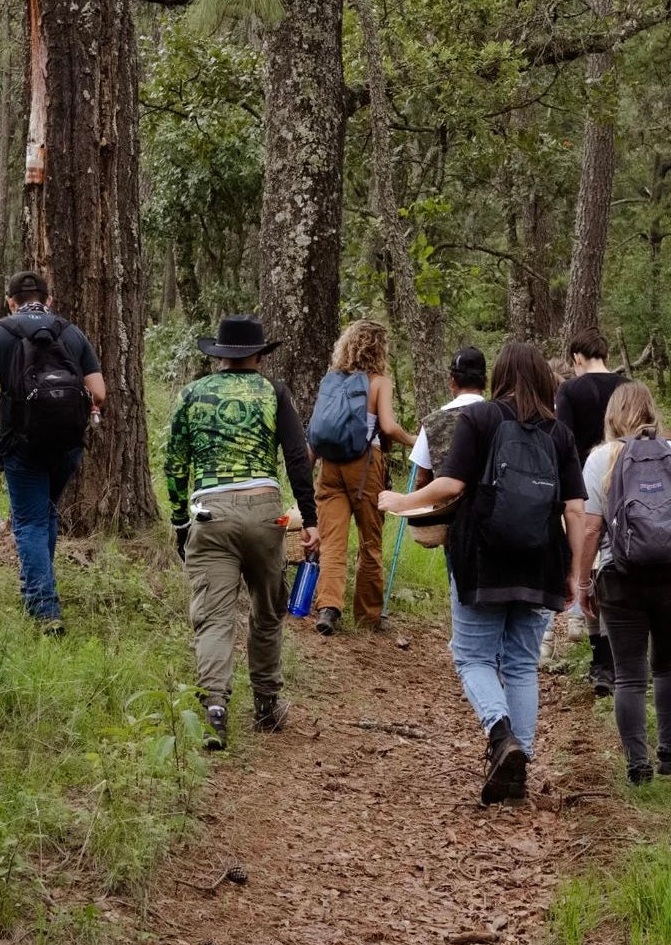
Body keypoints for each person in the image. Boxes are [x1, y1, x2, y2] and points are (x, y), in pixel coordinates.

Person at [379, 342, 587, 805]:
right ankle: (519, 765)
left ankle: (500, 736)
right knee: (519, 663)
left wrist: (401, 501)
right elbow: (575, 509)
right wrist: (573, 571)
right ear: (546, 381)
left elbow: (452, 485)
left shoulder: (480, 419)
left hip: (482, 558)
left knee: (473, 657)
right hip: (540, 560)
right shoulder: (560, 434)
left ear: (501, 375)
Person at [165, 314, 320, 751]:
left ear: (220, 355)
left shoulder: (192, 394)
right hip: (265, 510)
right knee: (268, 609)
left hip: (210, 512)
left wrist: (180, 521)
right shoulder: (275, 392)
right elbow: (295, 457)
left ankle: (214, 709)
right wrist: (309, 520)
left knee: (213, 617)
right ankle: (268, 704)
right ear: (258, 354)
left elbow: (175, 464)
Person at [579, 382, 671, 783]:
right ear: (652, 411)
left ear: (612, 415)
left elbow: (590, 529)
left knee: (629, 674)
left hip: (619, 577)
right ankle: (670, 757)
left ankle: (638, 766)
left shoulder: (601, 458)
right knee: (669, 666)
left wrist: (582, 582)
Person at [0, 271, 106, 635]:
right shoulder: (70, 332)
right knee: (44, 514)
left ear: (10, 301)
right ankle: (36, 594)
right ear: (49, 300)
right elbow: (100, 391)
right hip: (67, 444)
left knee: (29, 521)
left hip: (21, 444)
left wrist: (6, 415)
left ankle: (44, 610)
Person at [310, 320, 415, 635]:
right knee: (370, 541)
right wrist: (416, 440)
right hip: (365, 465)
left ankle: (328, 607)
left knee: (332, 540)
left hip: (329, 466)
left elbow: (316, 429)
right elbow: (389, 426)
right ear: (379, 348)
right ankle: (368, 616)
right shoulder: (379, 381)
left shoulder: (331, 380)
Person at [554, 328, 628, 697]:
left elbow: (562, 439)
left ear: (578, 358)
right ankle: (622, 656)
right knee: (620, 564)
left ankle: (600, 661)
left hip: (584, 486)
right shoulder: (627, 386)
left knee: (591, 563)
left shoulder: (569, 390)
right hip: (628, 482)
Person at [411, 346, 486, 489]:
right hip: (490, 508)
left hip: (446, 508)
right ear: (485, 382)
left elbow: (421, 479)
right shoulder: (499, 416)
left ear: (452, 382)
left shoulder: (431, 422)